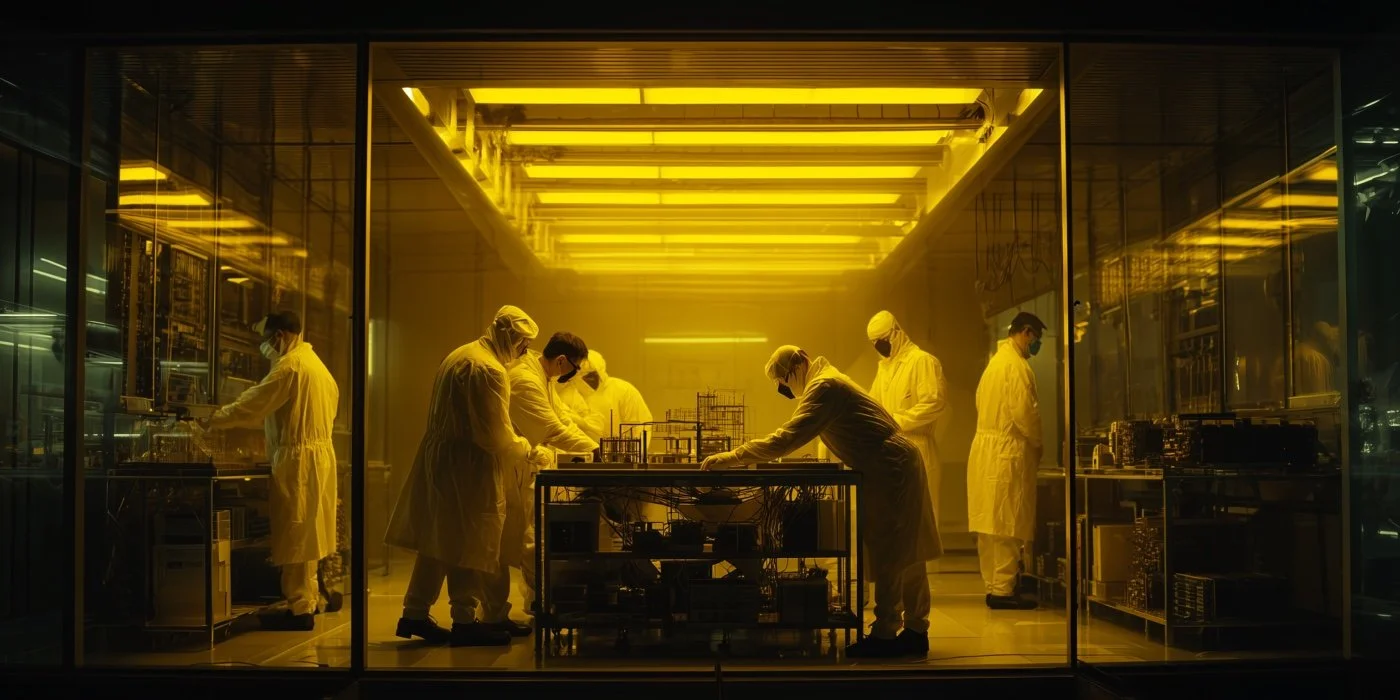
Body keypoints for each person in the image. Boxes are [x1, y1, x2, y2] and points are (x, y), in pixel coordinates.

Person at [700, 346, 941, 658]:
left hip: (889, 465)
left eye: (784, 381)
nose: (786, 389)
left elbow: (787, 438)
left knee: (892, 549)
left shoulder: (824, 387)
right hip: (891, 462)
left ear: (799, 364)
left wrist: (734, 457)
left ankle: (886, 634)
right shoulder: (828, 381)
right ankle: (915, 631)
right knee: (905, 549)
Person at [384, 305, 543, 647]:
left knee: (441, 542)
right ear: (509, 337)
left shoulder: (461, 354)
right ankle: (465, 620)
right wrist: (528, 449)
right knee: (472, 541)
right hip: (470, 465)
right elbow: (494, 434)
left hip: (442, 459)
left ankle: (414, 613)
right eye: (522, 344)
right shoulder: (489, 370)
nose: (524, 352)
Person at [206, 311, 339, 631]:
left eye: (267, 340)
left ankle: (298, 609)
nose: (265, 347)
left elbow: (255, 402)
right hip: (319, 457)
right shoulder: (319, 368)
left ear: (280, 336)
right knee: (309, 535)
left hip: (298, 461)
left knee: (295, 533)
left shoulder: (290, 367)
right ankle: (308, 599)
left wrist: (214, 418)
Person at [490, 332, 599, 635]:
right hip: (519, 468)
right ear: (562, 361)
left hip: (531, 468)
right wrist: (595, 452)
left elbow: (561, 419)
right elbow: (551, 429)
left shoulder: (543, 376)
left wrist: (590, 443)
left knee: (530, 540)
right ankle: (519, 610)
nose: (573, 375)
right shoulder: (526, 380)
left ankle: (532, 606)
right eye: (574, 369)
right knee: (525, 542)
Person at [967, 311, 1046, 610]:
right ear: (1026, 332)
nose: (1035, 346)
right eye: (1035, 340)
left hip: (986, 452)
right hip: (1007, 453)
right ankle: (1003, 591)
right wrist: (1039, 443)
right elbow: (1026, 414)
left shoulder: (994, 366)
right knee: (1008, 525)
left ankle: (993, 586)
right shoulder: (1017, 367)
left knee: (990, 526)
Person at [866, 311, 950, 529]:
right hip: (891, 451)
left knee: (922, 522)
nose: (879, 347)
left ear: (896, 332)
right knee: (896, 523)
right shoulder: (884, 368)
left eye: (882, 341)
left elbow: (934, 403)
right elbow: (872, 405)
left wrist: (895, 421)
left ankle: (925, 566)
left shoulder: (922, 362)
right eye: (874, 343)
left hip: (917, 449)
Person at [581, 350, 653, 437]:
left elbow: (640, 426)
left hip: (618, 449)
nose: (588, 380)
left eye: (591, 375)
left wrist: (632, 449)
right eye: (581, 375)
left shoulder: (623, 390)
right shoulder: (570, 393)